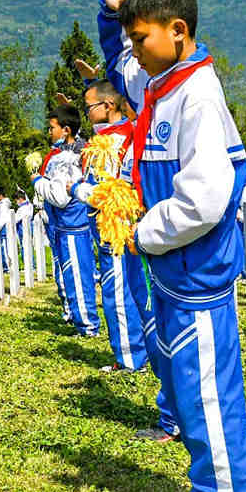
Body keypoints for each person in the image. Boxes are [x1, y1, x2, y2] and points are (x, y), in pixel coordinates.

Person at [98, 0, 246, 492]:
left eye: (141, 38)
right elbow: (123, 72)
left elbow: (205, 199)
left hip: (196, 270)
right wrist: (111, 11)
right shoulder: (164, 84)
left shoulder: (198, 98)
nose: (133, 52)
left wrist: (145, 231)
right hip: (174, 269)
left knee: (207, 388)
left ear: (178, 30)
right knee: (186, 384)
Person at [78, 80, 162, 405]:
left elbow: (104, 186)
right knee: (126, 286)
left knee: (117, 290)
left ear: (108, 106)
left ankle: (130, 356)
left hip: (117, 224)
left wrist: (77, 190)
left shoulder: (113, 141)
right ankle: (135, 350)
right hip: (120, 222)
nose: (88, 113)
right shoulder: (123, 134)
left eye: (90, 107)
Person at [35, 104, 100, 336]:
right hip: (63, 227)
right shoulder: (60, 156)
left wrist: (37, 181)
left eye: (52, 127)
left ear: (66, 130)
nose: (49, 131)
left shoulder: (67, 159)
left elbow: (60, 197)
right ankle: (78, 318)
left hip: (72, 226)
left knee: (77, 277)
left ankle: (87, 325)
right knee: (70, 275)